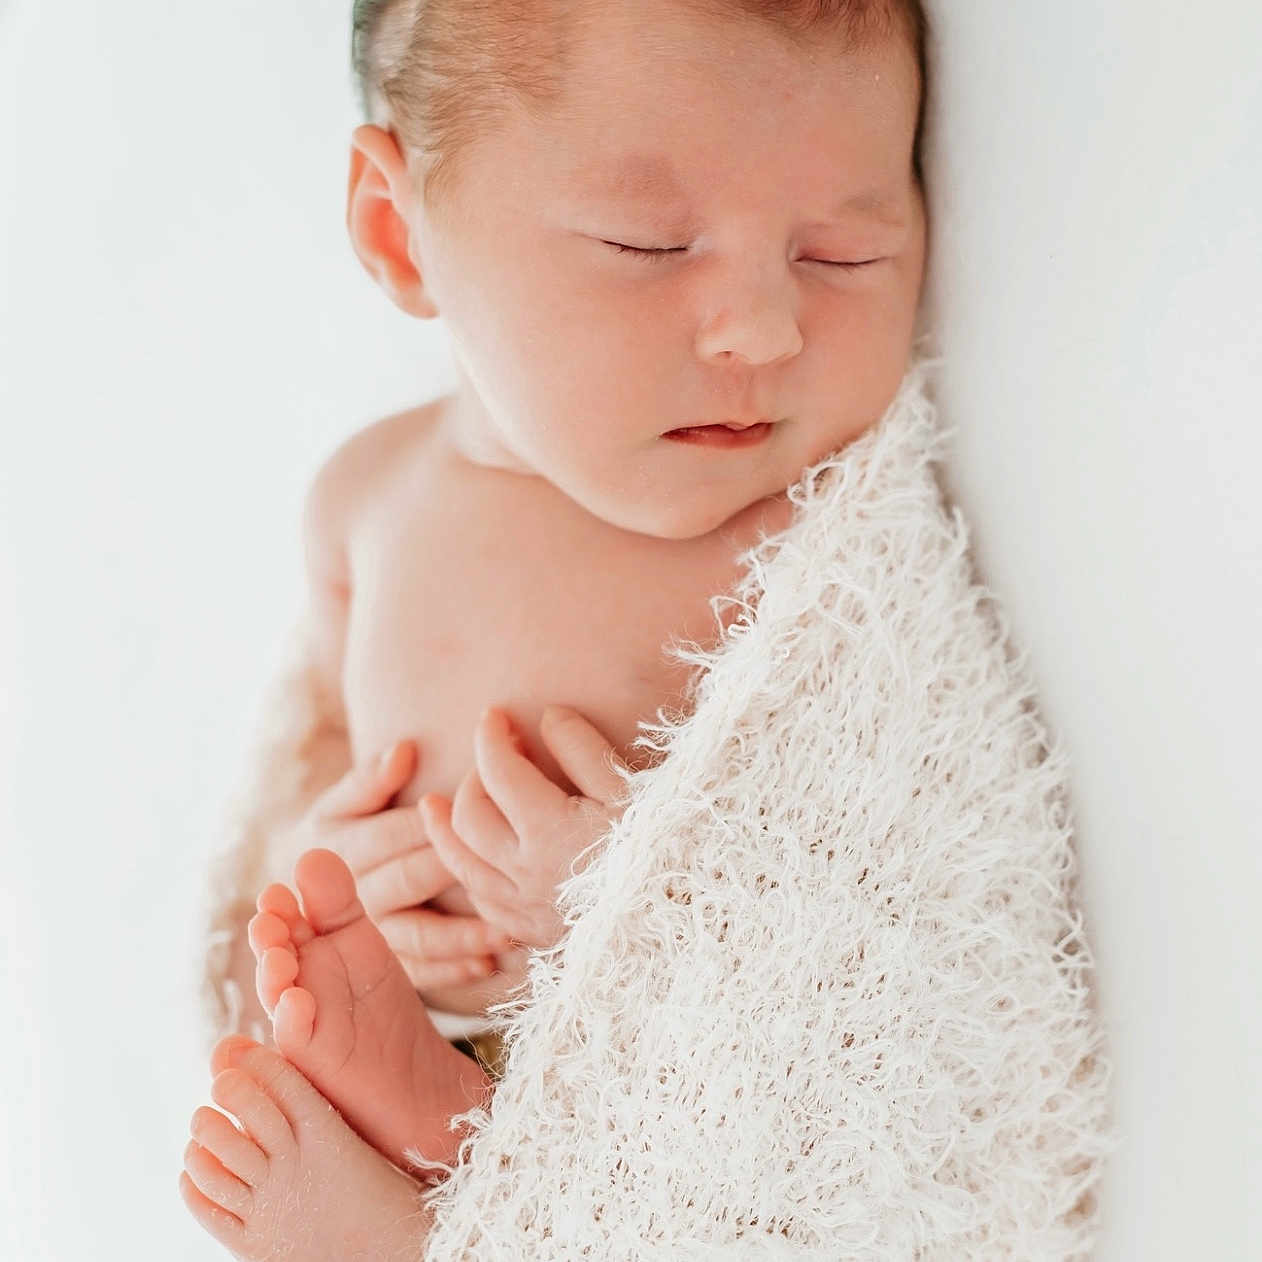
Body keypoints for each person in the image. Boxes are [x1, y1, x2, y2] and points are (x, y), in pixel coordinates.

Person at [179, 0, 930, 1256]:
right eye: (645, 244)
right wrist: (314, 877)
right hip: (420, 1015)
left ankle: (450, 1187)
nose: (760, 326)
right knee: (295, 1038)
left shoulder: (813, 539)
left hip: (662, 1088)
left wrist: (634, 897)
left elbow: (878, 870)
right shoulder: (364, 500)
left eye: (839, 255)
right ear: (398, 232)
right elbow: (308, 755)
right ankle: (425, 1136)